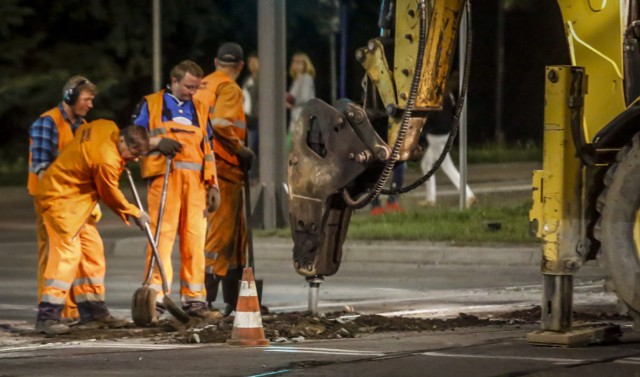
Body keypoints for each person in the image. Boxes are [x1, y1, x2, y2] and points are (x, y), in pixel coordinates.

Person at [35, 120, 151, 335]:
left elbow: (82, 132)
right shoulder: (106, 160)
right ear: (122, 140)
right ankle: (47, 316)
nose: (135, 158)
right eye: (133, 152)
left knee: (92, 253)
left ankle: (94, 313)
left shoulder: (106, 125)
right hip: (61, 200)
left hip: (79, 202)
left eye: (140, 155)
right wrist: (135, 212)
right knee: (67, 256)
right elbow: (109, 193)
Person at [132, 60, 220, 320]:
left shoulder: (201, 108)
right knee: (161, 241)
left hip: (195, 186)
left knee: (195, 242)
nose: (192, 92)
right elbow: (132, 138)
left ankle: (195, 301)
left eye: (195, 87)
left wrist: (213, 183)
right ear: (174, 81)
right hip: (164, 181)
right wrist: (157, 141)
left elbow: (209, 148)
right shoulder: (151, 104)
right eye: (188, 87)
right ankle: (156, 300)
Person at [27, 76, 98, 323]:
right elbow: (42, 166)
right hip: (51, 200)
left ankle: (73, 310)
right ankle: (52, 312)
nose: (90, 105)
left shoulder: (83, 127)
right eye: (87, 100)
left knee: (79, 254)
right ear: (71, 97)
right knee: (53, 255)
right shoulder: (48, 123)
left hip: (74, 201)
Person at [194, 42, 254, 316]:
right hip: (224, 169)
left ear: (215, 62)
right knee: (221, 236)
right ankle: (203, 299)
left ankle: (234, 297)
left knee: (230, 235)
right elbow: (221, 124)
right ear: (240, 67)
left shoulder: (203, 84)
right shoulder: (229, 87)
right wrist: (240, 149)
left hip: (203, 167)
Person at [420, 84, 476, 208]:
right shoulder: (447, 95)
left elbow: (433, 118)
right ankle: (430, 199)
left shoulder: (436, 97)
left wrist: (423, 131)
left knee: (448, 168)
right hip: (443, 134)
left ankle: (468, 195)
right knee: (426, 164)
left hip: (437, 137)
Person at [286, 52, 316, 150]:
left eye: (299, 62)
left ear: (305, 64)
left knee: (294, 146)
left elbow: (305, 98)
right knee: (290, 146)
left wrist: (291, 100)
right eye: (294, 61)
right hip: (295, 117)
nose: (296, 64)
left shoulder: (306, 78)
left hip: (302, 117)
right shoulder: (296, 80)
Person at [242, 54, 260, 182]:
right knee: (250, 146)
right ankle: (250, 174)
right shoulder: (248, 79)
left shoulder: (262, 79)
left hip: (258, 118)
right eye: (250, 62)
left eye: (254, 62)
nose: (251, 65)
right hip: (248, 118)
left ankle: (253, 175)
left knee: (254, 147)